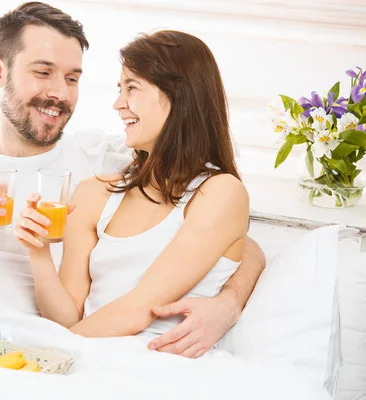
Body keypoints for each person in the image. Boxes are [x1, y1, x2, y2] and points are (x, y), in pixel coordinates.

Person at [0, 2, 265, 358]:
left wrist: (230, 303)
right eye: (43, 72)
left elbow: (235, 238)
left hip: (21, 340)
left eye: (72, 78)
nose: (60, 93)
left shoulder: (98, 164)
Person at [13, 30, 250, 354]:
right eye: (119, 89)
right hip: (83, 354)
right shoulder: (94, 193)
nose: (118, 104)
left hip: (156, 366)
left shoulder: (220, 192)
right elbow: (67, 320)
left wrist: (43, 355)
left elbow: (141, 308)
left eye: (132, 88)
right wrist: (38, 254)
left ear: (179, 96)